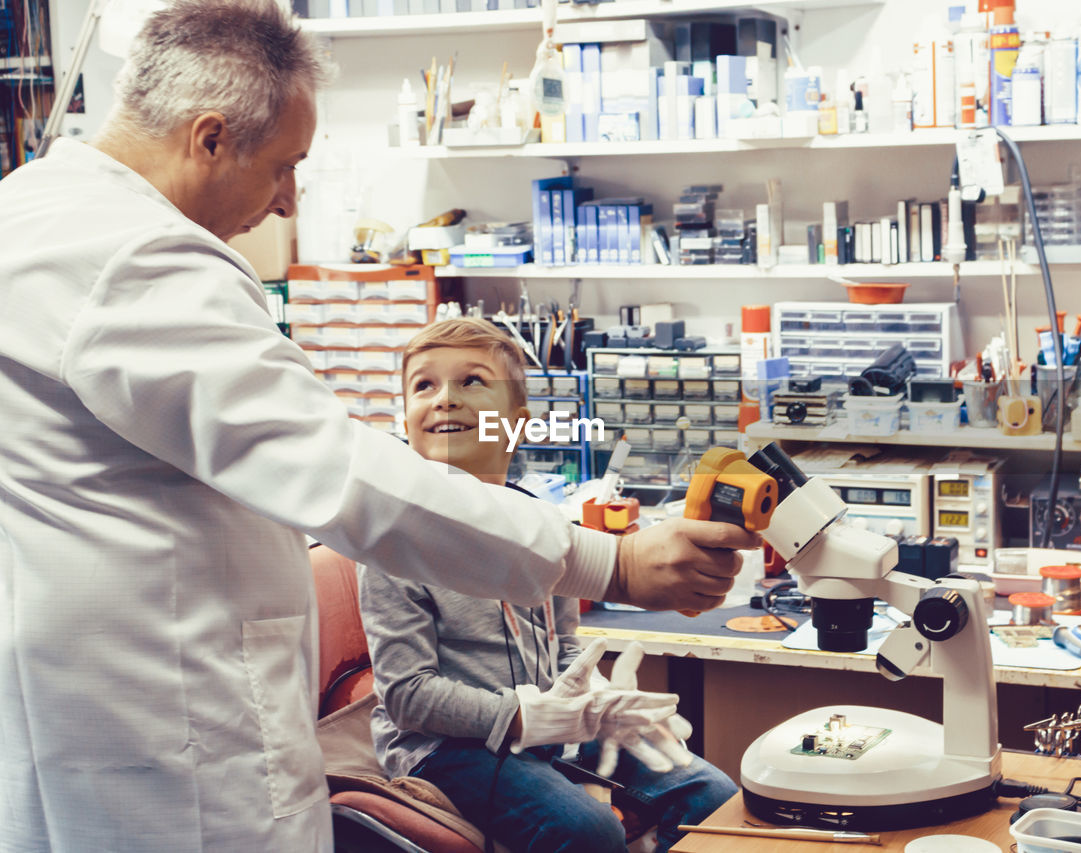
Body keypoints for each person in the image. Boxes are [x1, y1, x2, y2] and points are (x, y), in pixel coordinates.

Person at [0, 2, 757, 850]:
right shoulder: (133, 260)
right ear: (209, 138)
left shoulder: (30, 214)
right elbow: (338, 472)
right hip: (175, 751)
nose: (288, 202)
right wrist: (606, 557)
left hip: (101, 715)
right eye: (285, 167)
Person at [359, 319, 738, 853]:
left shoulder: (542, 524)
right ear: (406, 419)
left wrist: (589, 700)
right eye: (424, 385)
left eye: (471, 381)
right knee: (586, 830)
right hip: (446, 747)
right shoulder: (392, 541)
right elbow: (406, 696)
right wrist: (521, 717)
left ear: (517, 423)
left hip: (547, 724)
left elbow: (563, 646)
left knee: (709, 795)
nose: (444, 399)